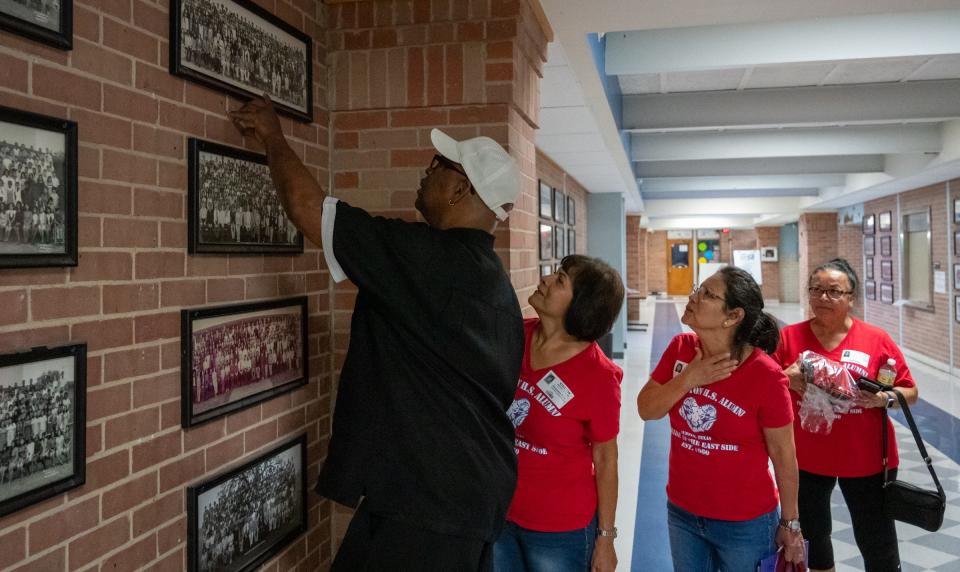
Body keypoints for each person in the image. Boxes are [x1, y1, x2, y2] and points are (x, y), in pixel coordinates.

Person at [229, 96, 525, 571]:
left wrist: (273, 136)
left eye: (438, 166)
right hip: (461, 496)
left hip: (429, 506)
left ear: (460, 190)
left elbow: (311, 211)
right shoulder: (494, 283)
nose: (426, 173)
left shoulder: (429, 259)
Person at [637, 267, 805, 570]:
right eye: (698, 289)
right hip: (683, 512)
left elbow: (784, 455)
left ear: (733, 316)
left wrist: (791, 523)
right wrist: (689, 378)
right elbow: (647, 409)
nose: (694, 297)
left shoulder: (765, 375)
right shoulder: (681, 350)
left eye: (707, 295)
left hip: (745, 522)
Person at [773, 258, 918, 572]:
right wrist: (786, 378)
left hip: (866, 459)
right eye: (816, 290)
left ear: (852, 298)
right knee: (815, 537)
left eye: (834, 291)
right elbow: (767, 388)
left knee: (876, 540)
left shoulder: (876, 339)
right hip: (807, 459)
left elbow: (910, 392)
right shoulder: (789, 338)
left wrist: (883, 399)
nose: (823, 297)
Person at [493, 255, 624, 572]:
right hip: (498, 512)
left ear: (581, 306)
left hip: (559, 529)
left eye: (560, 279)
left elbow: (606, 459)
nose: (547, 279)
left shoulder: (599, 376)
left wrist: (605, 538)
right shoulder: (514, 336)